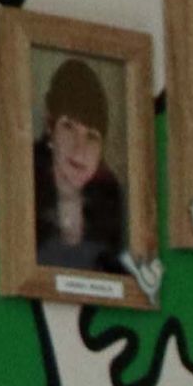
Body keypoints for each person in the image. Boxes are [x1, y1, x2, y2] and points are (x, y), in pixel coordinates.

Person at [33, 54, 130, 273]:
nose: (80, 148)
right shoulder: (24, 180)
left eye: (92, 136)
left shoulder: (114, 197)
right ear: (50, 126)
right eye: (68, 126)